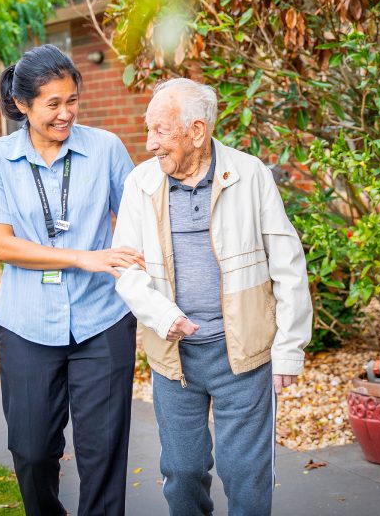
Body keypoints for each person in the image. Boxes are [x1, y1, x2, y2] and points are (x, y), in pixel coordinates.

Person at [112, 78, 313, 516]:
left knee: (246, 474)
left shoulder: (250, 173)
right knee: (182, 472)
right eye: (149, 130)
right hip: (174, 356)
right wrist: (164, 317)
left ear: (197, 131)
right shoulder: (140, 184)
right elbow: (125, 268)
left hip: (241, 354)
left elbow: (287, 265)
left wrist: (288, 350)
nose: (150, 144)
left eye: (161, 131)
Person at [0, 44, 144, 516]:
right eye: (52, 104)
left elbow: (136, 220)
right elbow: (0, 245)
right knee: (31, 450)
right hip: (26, 323)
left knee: (103, 453)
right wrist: (82, 257)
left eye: (72, 101)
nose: (65, 114)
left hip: (103, 321)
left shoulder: (105, 148)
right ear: (23, 105)